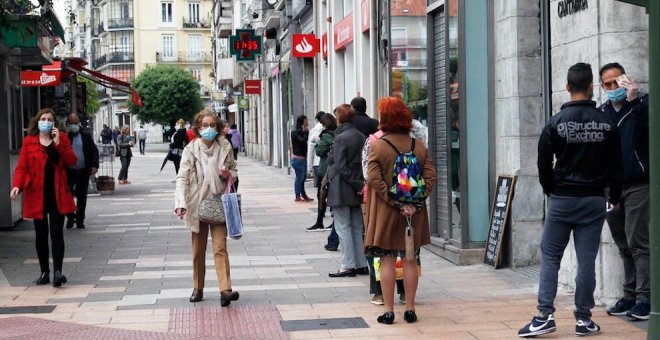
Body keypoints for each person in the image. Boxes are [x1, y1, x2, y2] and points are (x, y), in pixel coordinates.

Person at [518, 63, 622, 338]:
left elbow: (543, 161)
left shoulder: (555, 123)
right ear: (591, 87)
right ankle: (584, 319)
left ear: (567, 87)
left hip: (562, 198)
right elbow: (616, 164)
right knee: (587, 258)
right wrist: (615, 195)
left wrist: (550, 187)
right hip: (592, 199)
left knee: (551, 256)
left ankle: (544, 315)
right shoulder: (607, 123)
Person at [364, 97, 436, 324]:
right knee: (410, 259)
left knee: (386, 259)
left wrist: (394, 201)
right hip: (413, 215)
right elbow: (430, 176)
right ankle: (411, 308)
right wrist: (414, 202)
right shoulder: (419, 145)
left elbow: (373, 178)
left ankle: (388, 310)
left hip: (386, 213)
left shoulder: (378, 145)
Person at [598, 63, 650, 320]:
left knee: (638, 241)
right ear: (601, 87)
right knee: (623, 243)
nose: (612, 88)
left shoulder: (642, 104)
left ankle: (645, 297)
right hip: (611, 188)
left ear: (625, 80)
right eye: (607, 84)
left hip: (638, 184)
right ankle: (629, 295)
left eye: (616, 82)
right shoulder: (601, 113)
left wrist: (635, 101)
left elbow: (650, 131)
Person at [174, 109, 240, 307]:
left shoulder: (225, 146)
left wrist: (227, 173)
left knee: (220, 247)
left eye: (212, 125)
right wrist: (180, 203)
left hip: (219, 203)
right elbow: (182, 178)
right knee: (198, 250)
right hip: (197, 204)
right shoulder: (190, 150)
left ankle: (225, 290)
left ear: (218, 127)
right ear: (198, 128)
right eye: (205, 125)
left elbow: (234, 172)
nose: (209, 129)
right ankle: (198, 286)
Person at [10, 108, 77, 287]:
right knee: (40, 235)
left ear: (54, 123)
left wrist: (58, 143)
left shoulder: (61, 139)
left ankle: (57, 272)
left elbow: (72, 161)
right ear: (37, 121)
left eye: (49, 119)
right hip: (36, 194)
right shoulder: (29, 142)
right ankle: (44, 272)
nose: (46, 122)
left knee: (57, 233)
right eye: (43, 119)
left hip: (57, 193)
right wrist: (17, 185)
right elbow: (22, 167)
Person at [326, 104, 368, 278]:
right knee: (357, 227)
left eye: (337, 116)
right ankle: (360, 263)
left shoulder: (341, 137)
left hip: (342, 187)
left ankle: (347, 265)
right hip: (357, 186)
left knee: (343, 226)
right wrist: (360, 184)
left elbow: (340, 165)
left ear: (340, 118)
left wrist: (356, 183)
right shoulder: (361, 135)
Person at [65, 113, 99, 229]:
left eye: (76, 123)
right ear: (67, 124)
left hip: (83, 170)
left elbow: (94, 151)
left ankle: (80, 220)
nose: (74, 125)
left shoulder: (85, 136)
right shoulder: (64, 137)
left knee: (82, 197)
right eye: (71, 123)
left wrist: (94, 165)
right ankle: (70, 217)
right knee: (66, 195)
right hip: (68, 171)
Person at [307, 113, 335, 232]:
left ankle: (319, 221)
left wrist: (319, 143)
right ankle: (333, 223)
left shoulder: (326, 135)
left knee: (321, 195)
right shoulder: (337, 133)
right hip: (335, 170)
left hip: (324, 169)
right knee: (333, 196)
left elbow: (319, 151)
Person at [290, 115, 313, 202]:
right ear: (302, 122)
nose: (307, 123)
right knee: (299, 178)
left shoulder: (300, 131)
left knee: (302, 178)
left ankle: (303, 195)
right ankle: (297, 195)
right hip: (298, 159)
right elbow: (301, 141)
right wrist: (306, 132)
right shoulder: (295, 132)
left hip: (302, 158)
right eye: (306, 122)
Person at [307, 111, 325, 186]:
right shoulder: (330, 129)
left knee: (320, 189)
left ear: (317, 120)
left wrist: (309, 167)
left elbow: (310, 150)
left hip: (317, 163)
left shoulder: (313, 131)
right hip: (327, 164)